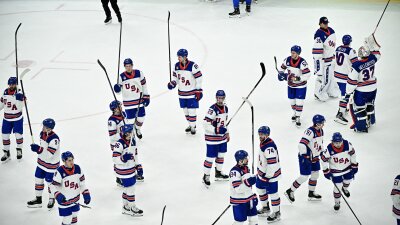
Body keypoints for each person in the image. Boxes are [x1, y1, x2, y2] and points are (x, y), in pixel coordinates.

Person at [285, 114, 325, 203]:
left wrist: (322, 152)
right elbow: (301, 144)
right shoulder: (310, 131)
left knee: (315, 175)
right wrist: (305, 156)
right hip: (306, 157)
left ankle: (311, 193)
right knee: (304, 176)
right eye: (321, 123)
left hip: (314, 156)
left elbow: (319, 143)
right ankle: (290, 191)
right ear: (317, 123)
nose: (323, 124)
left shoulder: (321, 131)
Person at [347, 34, 381, 133]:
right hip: (373, 88)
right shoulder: (372, 59)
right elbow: (378, 54)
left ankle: (361, 127)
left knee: (359, 108)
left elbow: (352, 80)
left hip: (361, 90)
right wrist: (370, 44)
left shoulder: (356, 65)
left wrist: (348, 92)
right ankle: (371, 121)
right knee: (370, 104)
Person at [167, 49, 203, 135]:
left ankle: (193, 126)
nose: (178, 58)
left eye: (180, 57)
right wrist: (173, 83)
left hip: (191, 93)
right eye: (178, 56)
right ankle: (190, 125)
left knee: (192, 111)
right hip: (182, 94)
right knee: (186, 111)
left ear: (185, 57)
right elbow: (176, 78)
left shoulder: (193, 65)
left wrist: (198, 90)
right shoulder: (176, 66)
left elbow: (199, 77)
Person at [27, 118, 60, 209]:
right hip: (41, 163)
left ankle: (51, 198)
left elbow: (49, 155)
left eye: (45, 126)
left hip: (51, 166)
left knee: (50, 183)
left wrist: (38, 149)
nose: (43, 127)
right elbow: (43, 148)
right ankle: (38, 200)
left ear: (49, 128)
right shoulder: (42, 134)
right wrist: (38, 149)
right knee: (38, 180)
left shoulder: (54, 139)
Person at [50, 151, 91, 225]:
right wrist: (58, 195)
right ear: (64, 161)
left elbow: (82, 184)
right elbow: (52, 186)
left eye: (72, 159)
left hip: (75, 200)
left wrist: (86, 194)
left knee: (74, 216)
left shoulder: (78, 168)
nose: (71, 162)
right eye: (69, 160)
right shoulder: (59, 171)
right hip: (64, 201)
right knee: (67, 218)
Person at [114, 58, 150, 139]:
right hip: (128, 103)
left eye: (129, 66)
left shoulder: (139, 73)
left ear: (132, 65)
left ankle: (137, 129)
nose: (128, 68)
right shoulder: (121, 77)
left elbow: (144, 85)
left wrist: (146, 96)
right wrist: (117, 89)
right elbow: (118, 92)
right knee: (130, 121)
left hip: (139, 100)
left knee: (141, 118)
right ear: (124, 67)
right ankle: (130, 136)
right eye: (126, 66)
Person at [321, 132, 358, 211]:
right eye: (336, 143)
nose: (338, 144)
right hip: (335, 171)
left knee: (348, 181)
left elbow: (353, 154)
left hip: (347, 168)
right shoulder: (329, 149)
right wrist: (326, 170)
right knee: (337, 187)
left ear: (342, 140)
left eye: (339, 142)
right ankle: (337, 202)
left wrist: (354, 164)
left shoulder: (348, 144)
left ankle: (344, 188)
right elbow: (324, 160)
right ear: (332, 142)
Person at [113, 124, 143, 216]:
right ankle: (132, 207)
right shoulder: (119, 143)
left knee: (127, 189)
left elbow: (135, 155)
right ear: (125, 133)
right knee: (131, 189)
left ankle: (125, 207)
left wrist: (138, 165)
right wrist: (123, 158)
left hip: (131, 169)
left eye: (132, 132)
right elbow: (115, 158)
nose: (131, 134)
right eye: (130, 132)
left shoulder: (133, 141)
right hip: (123, 171)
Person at [278, 45, 311, 127]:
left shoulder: (302, 63)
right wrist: (281, 74)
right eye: (291, 52)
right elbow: (282, 68)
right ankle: (295, 113)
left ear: (298, 53)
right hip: (290, 85)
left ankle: (298, 117)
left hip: (301, 86)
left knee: (299, 102)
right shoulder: (287, 60)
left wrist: (298, 78)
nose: (292, 54)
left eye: (294, 53)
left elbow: (308, 75)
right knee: (292, 101)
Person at [202, 90, 230, 188]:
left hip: (222, 138)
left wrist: (227, 132)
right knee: (210, 157)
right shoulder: (212, 109)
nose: (219, 100)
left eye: (221, 98)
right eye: (218, 97)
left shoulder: (226, 108)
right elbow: (205, 123)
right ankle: (206, 175)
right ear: (216, 97)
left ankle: (218, 173)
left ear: (224, 98)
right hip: (212, 138)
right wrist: (216, 130)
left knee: (221, 156)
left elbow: (224, 123)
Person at [255, 126, 281, 222]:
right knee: (260, 189)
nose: (260, 136)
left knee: (273, 193)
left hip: (270, 176)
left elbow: (272, 164)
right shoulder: (263, 143)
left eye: (262, 134)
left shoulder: (269, 147)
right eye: (259, 134)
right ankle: (265, 208)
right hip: (262, 174)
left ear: (267, 134)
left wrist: (268, 176)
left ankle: (277, 213)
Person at [334, 35, 358, 125]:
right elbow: (355, 64)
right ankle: (340, 114)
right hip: (344, 76)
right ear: (350, 41)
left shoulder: (338, 48)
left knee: (344, 93)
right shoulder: (351, 51)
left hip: (337, 74)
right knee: (346, 94)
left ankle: (343, 108)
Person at [313, 16, 338, 101]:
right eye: (324, 23)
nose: (326, 25)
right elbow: (317, 52)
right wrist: (318, 66)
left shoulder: (331, 30)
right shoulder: (318, 35)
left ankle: (330, 90)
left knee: (330, 77)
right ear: (320, 23)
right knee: (322, 77)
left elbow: (331, 47)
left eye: (327, 23)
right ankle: (318, 93)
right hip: (323, 61)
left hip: (330, 59)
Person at [229, 150, 258, 225]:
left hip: (249, 199)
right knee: (239, 222)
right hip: (239, 201)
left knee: (254, 219)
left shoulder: (246, 168)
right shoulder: (234, 172)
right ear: (240, 160)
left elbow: (248, 184)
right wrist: (249, 182)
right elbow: (238, 189)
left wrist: (252, 196)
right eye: (245, 158)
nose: (247, 159)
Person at [0, 77, 25, 161]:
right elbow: (2, 103)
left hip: (17, 118)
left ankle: (19, 150)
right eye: (10, 84)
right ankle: (6, 152)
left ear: (16, 84)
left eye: (13, 84)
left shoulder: (19, 92)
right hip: (6, 119)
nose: (11, 85)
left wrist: (19, 99)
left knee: (18, 135)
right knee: (5, 136)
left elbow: (21, 106)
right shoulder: (5, 92)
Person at [108, 100, 126, 186]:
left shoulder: (124, 114)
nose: (121, 107)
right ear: (114, 109)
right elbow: (112, 136)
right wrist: (123, 133)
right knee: (118, 160)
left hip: (124, 141)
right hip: (116, 144)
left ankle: (125, 173)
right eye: (119, 106)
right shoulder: (111, 121)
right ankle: (118, 177)